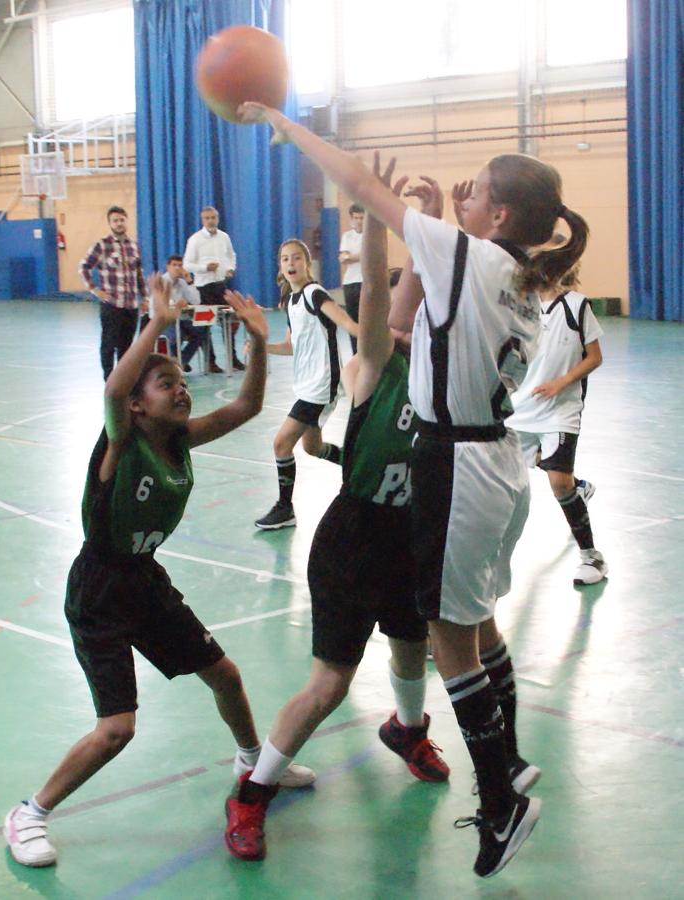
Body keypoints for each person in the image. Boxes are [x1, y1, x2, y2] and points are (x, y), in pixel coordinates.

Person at [238, 101, 588, 877]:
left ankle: (500, 801)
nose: (463, 194)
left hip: (459, 464)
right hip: (493, 463)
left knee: (448, 639)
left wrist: (288, 127)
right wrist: (444, 224)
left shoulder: (471, 259)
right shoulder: (510, 274)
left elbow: (363, 184)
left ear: (499, 214)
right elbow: (395, 308)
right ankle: (510, 762)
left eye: (477, 190)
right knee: (476, 626)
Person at [3, 277, 313, 869]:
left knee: (224, 675)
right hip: (99, 590)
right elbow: (114, 389)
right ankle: (30, 813)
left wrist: (256, 342)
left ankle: (253, 763)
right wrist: (156, 323)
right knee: (117, 728)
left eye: (182, 382)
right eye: (166, 384)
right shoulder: (121, 441)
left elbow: (246, 407)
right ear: (138, 404)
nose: (181, 390)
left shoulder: (182, 441)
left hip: (145, 580)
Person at [225, 157, 449, 864]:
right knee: (329, 683)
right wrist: (377, 215)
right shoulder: (373, 365)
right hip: (353, 537)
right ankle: (252, 793)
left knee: (411, 650)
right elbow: (378, 303)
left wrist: (433, 222)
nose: (406, 316)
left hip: (407, 535)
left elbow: (440, 283)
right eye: (401, 311)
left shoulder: (447, 380)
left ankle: (407, 731)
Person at [506, 250, 607, 585]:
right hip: (520, 409)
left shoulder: (577, 306)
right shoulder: (521, 306)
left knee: (559, 482)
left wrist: (560, 383)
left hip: (560, 409)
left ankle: (591, 557)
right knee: (504, 480)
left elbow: (594, 357)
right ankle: (579, 489)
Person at [254, 238, 359, 530]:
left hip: (321, 386)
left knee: (281, 444)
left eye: (297, 257)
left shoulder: (315, 294)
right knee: (313, 447)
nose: (291, 263)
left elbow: (347, 324)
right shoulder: (291, 301)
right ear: (280, 266)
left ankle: (285, 508)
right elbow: (291, 346)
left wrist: (378, 336)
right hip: (307, 385)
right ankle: (359, 466)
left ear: (307, 263)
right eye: (285, 258)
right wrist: (262, 347)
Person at [79, 206, 148, 381]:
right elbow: (84, 267)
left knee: (126, 346)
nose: (119, 223)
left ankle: (123, 381)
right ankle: (109, 381)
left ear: (127, 221)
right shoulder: (102, 245)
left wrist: (144, 297)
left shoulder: (134, 246)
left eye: (121, 220)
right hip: (112, 305)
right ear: (110, 223)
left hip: (131, 305)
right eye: (115, 221)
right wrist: (95, 290)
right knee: (109, 345)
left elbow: (139, 274)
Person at [183, 206, 242, 372]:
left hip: (220, 285)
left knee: (229, 323)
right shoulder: (195, 239)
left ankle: (233, 359)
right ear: (202, 220)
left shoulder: (224, 237)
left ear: (218, 218)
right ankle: (210, 362)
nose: (210, 221)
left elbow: (231, 256)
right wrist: (204, 268)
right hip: (203, 288)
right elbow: (187, 264)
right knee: (205, 326)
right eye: (207, 218)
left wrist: (230, 268)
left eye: (213, 217)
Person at [160, 255, 205, 373]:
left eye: (180, 265)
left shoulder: (182, 283)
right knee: (175, 335)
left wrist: (189, 281)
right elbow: (161, 304)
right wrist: (177, 304)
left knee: (201, 331)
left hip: (182, 318)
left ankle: (181, 361)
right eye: (174, 265)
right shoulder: (162, 281)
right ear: (168, 267)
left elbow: (196, 301)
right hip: (166, 320)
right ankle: (177, 362)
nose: (177, 268)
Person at [339, 203, 365, 352]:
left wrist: (350, 256)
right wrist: (358, 256)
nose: (359, 221)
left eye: (362, 218)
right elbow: (342, 258)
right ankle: (356, 353)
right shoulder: (347, 236)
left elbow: (369, 255)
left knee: (366, 319)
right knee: (352, 320)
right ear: (352, 219)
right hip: (350, 282)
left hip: (365, 282)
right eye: (356, 218)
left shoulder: (371, 236)